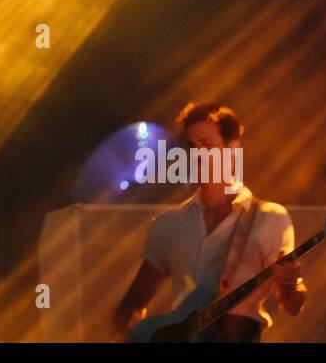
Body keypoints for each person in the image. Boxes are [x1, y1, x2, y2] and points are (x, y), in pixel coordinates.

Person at [111, 102, 306, 342]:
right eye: (192, 146)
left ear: (233, 149)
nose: (197, 155)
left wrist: (291, 284)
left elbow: (292, 305)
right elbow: (132, 304)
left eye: (206, 144)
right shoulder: (169, 224)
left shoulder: (270, 218)